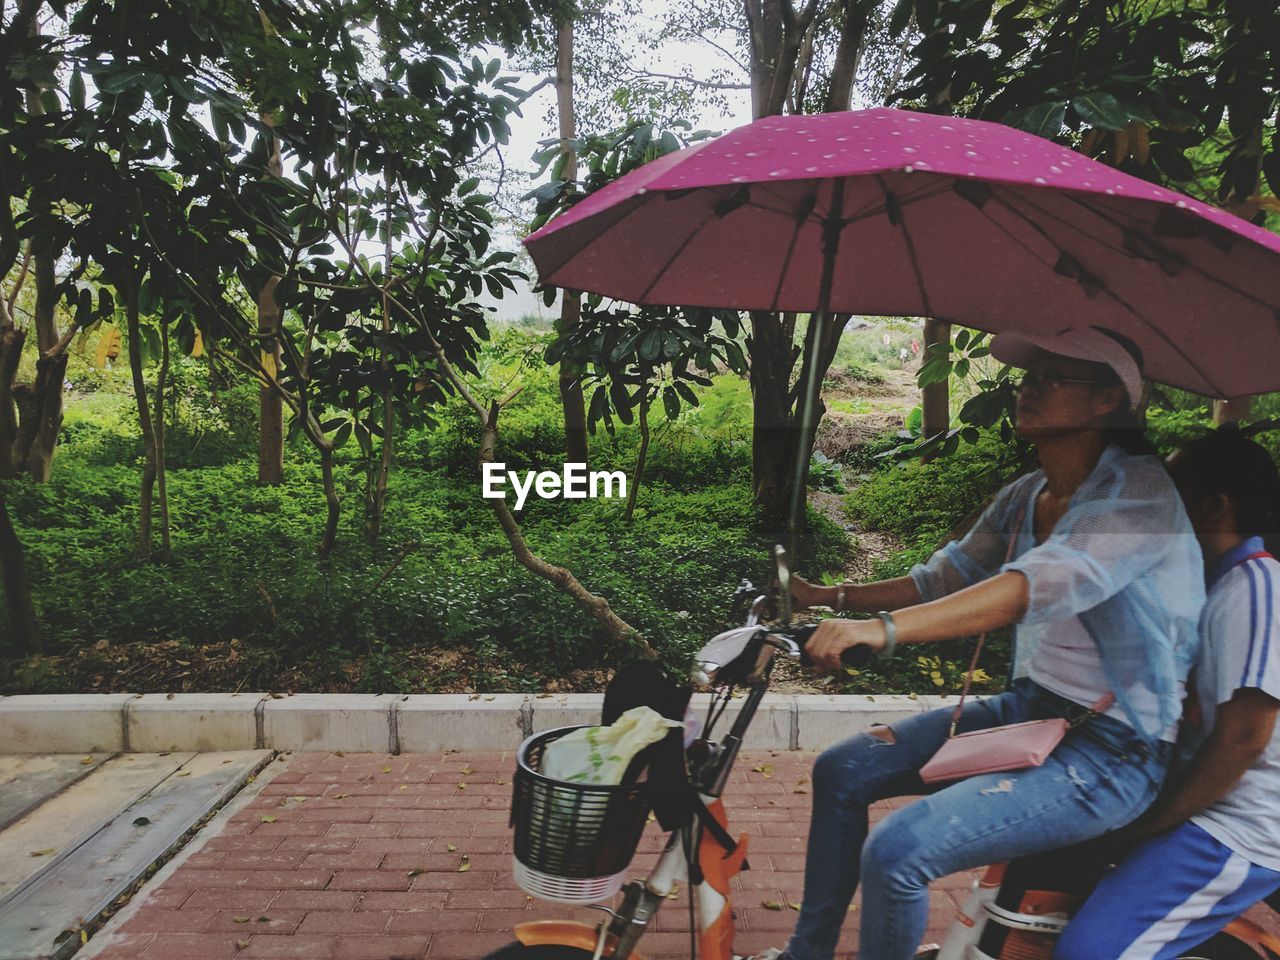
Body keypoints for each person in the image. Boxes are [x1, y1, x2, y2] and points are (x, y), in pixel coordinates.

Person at [755, 326, 1205, 960]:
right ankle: (809, 951)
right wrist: (828, 598)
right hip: (1035, 710)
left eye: (1054, 378)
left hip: (1115, 752)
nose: (1030, 388)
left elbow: (1034, 585)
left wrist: (881, 634)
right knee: (843, 768)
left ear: (1109, 401)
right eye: (1030, 376)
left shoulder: (1139, 497)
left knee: (897, 851)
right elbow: (944, 577)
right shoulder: (1030, 494)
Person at [1054, 429, 1280, 960]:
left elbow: (1244, 738)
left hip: (1236, 824)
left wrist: (1149, 826)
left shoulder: (1257, 588)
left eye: (1170, 489)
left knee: (1090, 953)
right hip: (1198, 802)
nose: (1153, 504)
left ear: (1212, 508)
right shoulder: (1206, 585)